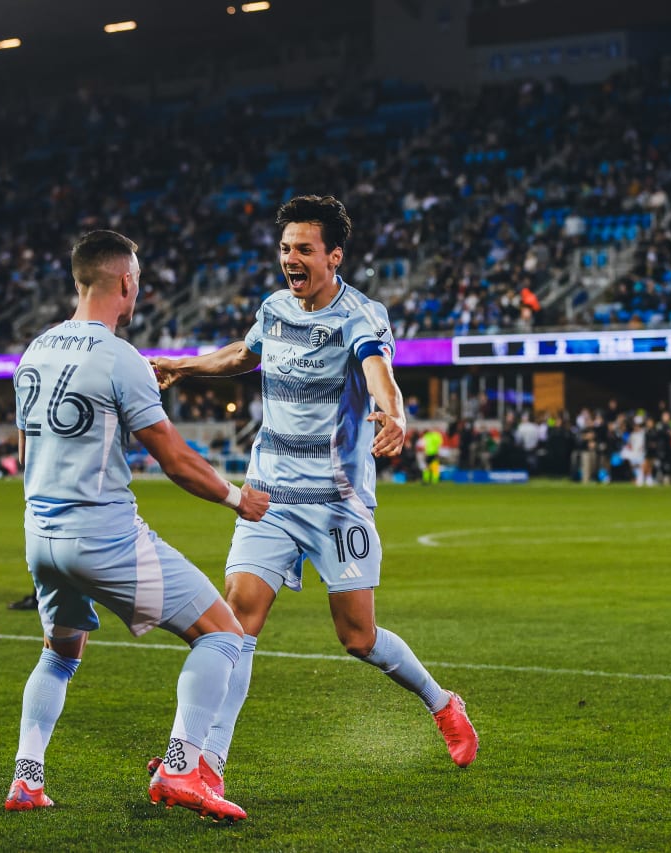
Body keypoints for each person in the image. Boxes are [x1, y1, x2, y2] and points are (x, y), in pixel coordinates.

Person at [150, 195, 478, 800]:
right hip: (268, 496)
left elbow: (378, 369)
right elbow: (245, 355)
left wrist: (394, 413)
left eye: (304, 249)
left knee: (358, 637)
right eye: (284, 249)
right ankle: (204, 763)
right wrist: (185, 367)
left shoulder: (361, 315)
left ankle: (443, 703)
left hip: (336, 503)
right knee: (235, 625)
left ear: (334, 255)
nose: (291, 259)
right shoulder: (274, 308)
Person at [4, 229, 269, 823]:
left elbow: (25, 448)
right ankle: (180, 766)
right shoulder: (120, 358)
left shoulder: (34, 351)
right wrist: (236, 499)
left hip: (41, 538)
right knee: (223, 633)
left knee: (59, 655)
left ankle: (27, 779)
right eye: (138, 281)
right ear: (125, 283)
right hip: (102, 536)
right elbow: (174, 459)